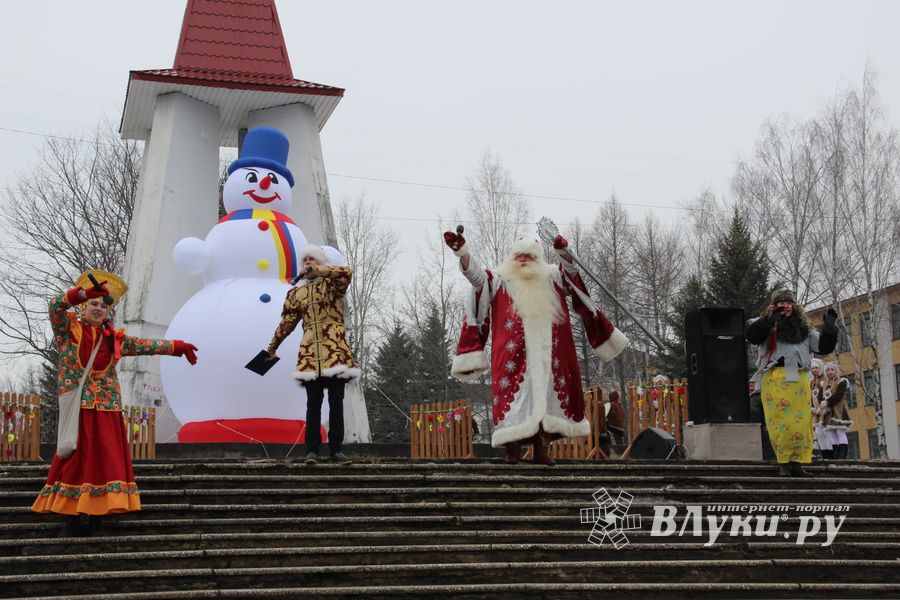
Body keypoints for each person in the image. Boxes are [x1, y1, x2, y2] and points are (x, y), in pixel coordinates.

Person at [32, 270, 198, 536]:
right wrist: (82, 293)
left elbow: (144, 345)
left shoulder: (113, 338)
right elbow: (55, 306)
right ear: (84, 306)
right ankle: (71, 518)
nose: (99, 309)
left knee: (105, 461)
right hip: (80, 408)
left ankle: (98, 515)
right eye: (94, 304)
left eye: (104, 305)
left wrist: (176, 347)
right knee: (75, 460)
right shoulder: (68, 331)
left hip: (107, 408)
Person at [444, 230, 628, 465]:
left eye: (529, 256)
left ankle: (541, 448)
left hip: (549, 356)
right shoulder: (499, 278)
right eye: (520, 256)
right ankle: (512, 448)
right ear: (513, 257)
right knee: (513, 401)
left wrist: (564, 253)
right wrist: (464, 253)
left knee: (546, 400)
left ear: (538, 258)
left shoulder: (552, 276)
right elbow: (476, 277)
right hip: (512, 356)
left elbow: (572, 275)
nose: (524, 260)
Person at [267, 245, 359, 465]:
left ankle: (336, 449)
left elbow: (346, 272)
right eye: (305, 260)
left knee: (337, 401)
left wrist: (320, 272)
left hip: (334, 350)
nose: (308, 262)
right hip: (310, 352)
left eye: (313, 259)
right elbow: (287, 323)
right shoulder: (297, 293)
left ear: (320, 264)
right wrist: (272, 346)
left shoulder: (333, 285)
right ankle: (312, 450)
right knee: (313, 403)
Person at [746, 290, 837, 477]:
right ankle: (784, 463)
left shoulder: (804, 329)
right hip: (776, 378)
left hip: (800, 380)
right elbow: (752, 335)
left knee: (801, 423)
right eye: (781, 302)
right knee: (781, 422)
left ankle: (797, 462)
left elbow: (823, 348)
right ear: (773, 306)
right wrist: (771, 318)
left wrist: (829, 328)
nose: (786, 306)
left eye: (789, 302)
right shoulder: (764, 324)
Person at [819, 361, 852, 459]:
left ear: (836, 371)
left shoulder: (842, 381)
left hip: (839, 410)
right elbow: (822, 395)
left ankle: (842, 456)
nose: (830, 372)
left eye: (832, 369)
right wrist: (823, 404)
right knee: (832, 433)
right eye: (828, 370)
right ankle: (835, 455)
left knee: (840, 432)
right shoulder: (825, 384)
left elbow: (839, 396)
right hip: (829, 411)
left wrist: (827, 402)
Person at [809, 358, 832, 458]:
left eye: (817, 368)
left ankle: (832, 456)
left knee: (827, 432)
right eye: (813, 368)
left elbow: (828, 393)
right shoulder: (812, 381)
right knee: (818, 433)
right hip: (816, 411)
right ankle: (825, 456)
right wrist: (813, 407)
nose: (815, 370)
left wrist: (824, 405)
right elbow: (812, 395)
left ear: (821, 368)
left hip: (825, 409)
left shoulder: (825, 378)